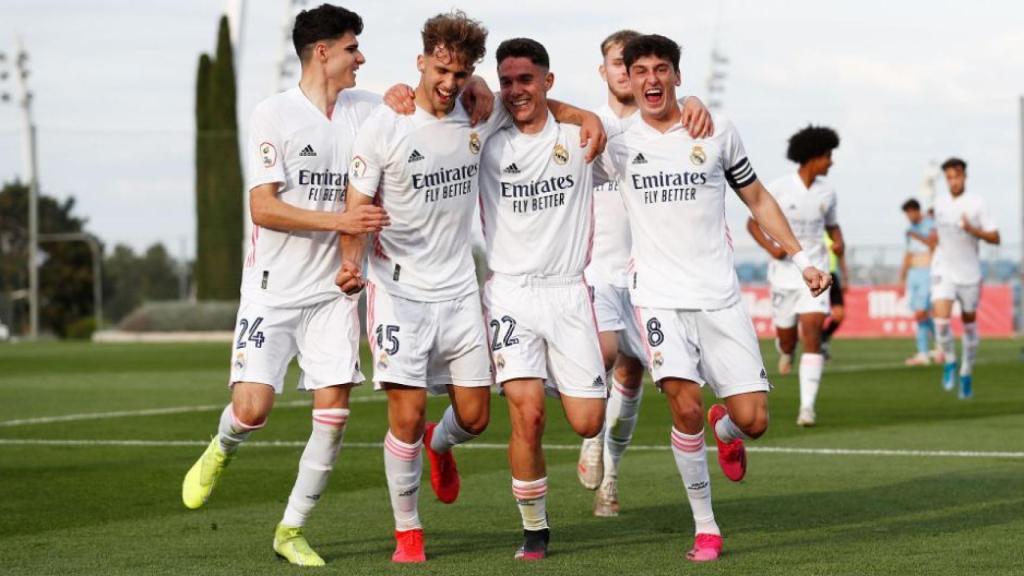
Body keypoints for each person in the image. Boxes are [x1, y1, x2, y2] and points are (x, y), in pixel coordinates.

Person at [336, 11, 606, 563]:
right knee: (405, 416)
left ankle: (443, 443)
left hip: (461, 289)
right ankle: (408, 532)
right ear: (420, 62)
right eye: (441, 70)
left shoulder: (481, 113)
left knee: (478, 417)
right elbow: (357, 206)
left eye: (461, 74)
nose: (449, 83)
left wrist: (583, 111)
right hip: (399, 290)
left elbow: (533, 104)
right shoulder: (385, 124)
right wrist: (350, 266)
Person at [594, 34, 831, 562]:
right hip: (656, 300)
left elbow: (757, 197)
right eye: (641, 71)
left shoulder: (716, 130)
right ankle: (706, 527)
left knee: (754, 421)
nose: (651, 79)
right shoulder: (615, 142)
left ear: (678, 77)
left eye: (662, 69)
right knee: (684, 406)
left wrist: (800, 259)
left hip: (719, 298)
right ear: (626, 80)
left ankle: (726, 429)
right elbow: (553, 126)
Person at [179, 5, 390, 566]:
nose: (360, 57)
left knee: (336, 412)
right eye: (352, 47)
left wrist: (477, 97)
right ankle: (224, 444)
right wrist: (341, 221)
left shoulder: (368, 110)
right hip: (271, 292)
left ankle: (291, 529)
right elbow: (263, 208)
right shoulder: (274, 114)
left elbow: (424, 103)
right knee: (252, 410)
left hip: (333, 294)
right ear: (322, 51)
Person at [477, 37, 610, 560]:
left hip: (568, 293)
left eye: (525, 80)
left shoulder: (581, 136)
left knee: (588, 422)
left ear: (548, 82)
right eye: (506, 81)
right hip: (509, 293)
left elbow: (637, 118)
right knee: (526, 415)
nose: (514, 91)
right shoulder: (486, 136)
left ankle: (565, 379)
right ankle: (535, 529)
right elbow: (456, 95)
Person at [577, 29, 713, 517]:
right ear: (607, 70)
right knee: (603, 353)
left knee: (632, 379)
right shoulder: (587, 128)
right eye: (617, 62)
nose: (624, 71)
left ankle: (610, 478)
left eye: (630, 64)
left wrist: (693, 97)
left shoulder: (670, 126)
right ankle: (590, 435)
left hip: (648, 277)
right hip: (596, 272)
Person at [746, 125, 843, 427]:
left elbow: (832, 227)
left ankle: (807, 408)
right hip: (784, 276)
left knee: (812, 332)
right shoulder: (779, 187)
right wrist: (771, 248)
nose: (831, 162)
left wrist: (838, 241)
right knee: (788, 340)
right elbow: (753, 224)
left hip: (815, 273)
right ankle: (785, 349)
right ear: (813, 157)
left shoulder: (828, 193)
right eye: (828, 156)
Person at [929, 157, 1000, 398]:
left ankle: (966, 371)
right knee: (940, 320)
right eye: (949, 177)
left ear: (964, 177)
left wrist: (973, 230)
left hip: (969, 273)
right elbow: (936, 232)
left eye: (957, 176)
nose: (953, 181)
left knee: (969, 324)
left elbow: (995, 237)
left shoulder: (977, 203)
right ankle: (949, 360)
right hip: (943, 269)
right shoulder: (939, 203)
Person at [899, 198, 938, 365]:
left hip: (927, 271)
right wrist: (902, 276)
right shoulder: (909, 230)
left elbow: (933, 245)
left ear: (916, 210)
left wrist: (917, 236)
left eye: (910, 213)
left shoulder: (930, 224)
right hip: (913, 274)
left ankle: (930, 349)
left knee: (922, 312)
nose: (908, 216)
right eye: (906, 214)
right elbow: (908, 254)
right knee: (919, 315)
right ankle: (936, 347)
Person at [820, 231, 849, 359]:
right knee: (817, 316)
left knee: (839, 315)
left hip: (832, 276)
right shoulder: (811, 230)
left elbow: (841, 254)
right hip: (817, 276)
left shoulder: (833, 232)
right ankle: (817, 348)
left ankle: (823, 339)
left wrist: (845, 277)